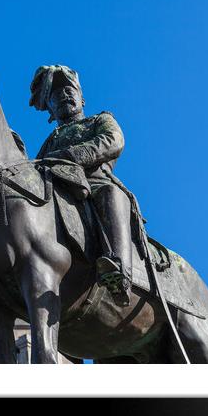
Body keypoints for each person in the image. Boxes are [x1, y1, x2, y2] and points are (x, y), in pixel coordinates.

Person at [29, 65, 136, 305]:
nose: (64, 95)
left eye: (69, 90)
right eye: (56, 95)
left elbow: (113, 141)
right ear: (50, 109)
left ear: (82, 98)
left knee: (111, 193)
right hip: (56, 190)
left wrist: (69, 155)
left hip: (95, 182)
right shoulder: (50, 141)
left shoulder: (101, 119)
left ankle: (119, 272)